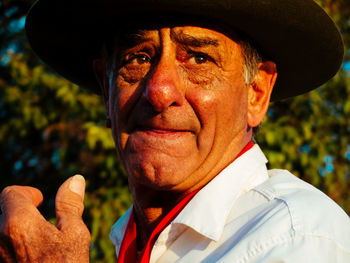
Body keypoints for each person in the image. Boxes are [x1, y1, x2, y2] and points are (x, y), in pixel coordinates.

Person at [1, 0, 349, 262]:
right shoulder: (134, 241)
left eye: (199, 58)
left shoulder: (296, 236)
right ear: (106, 92)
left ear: (256, 93)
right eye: (137, 58)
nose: (159, 91)